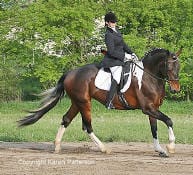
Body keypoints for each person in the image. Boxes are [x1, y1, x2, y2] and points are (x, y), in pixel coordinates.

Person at [101, 12, 138, 109]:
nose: (114, 24)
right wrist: (125, 56)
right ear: (107, 23)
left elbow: (123, 44)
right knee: (117, 76)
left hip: (121, 59)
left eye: (114, 22)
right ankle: (108, 102)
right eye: (112, 22)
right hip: (112, 61)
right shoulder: (108, 34)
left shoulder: (116, 30)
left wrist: (132, 53)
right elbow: (112, 51)